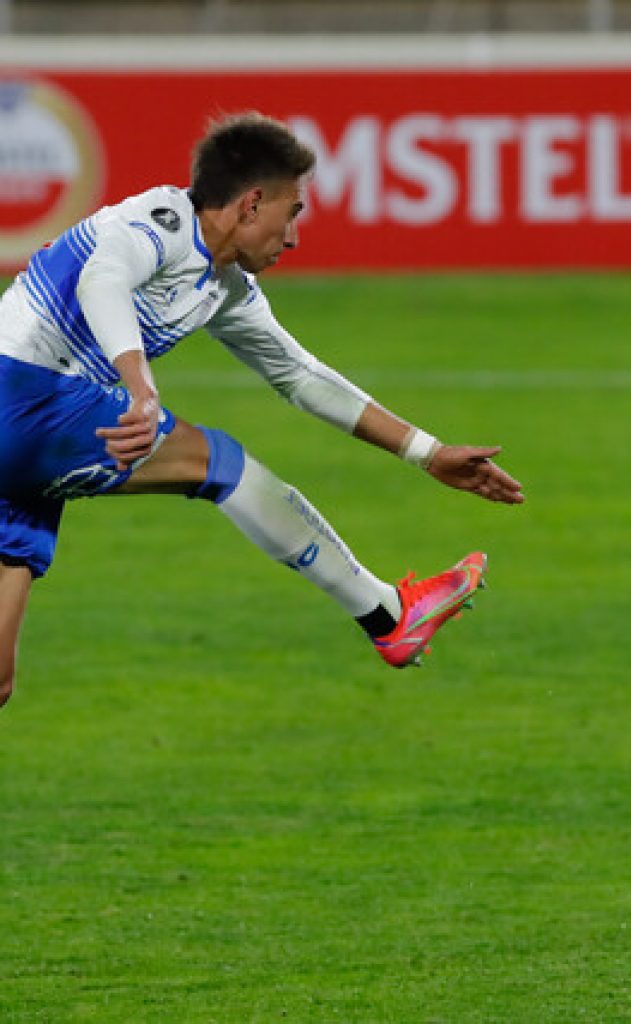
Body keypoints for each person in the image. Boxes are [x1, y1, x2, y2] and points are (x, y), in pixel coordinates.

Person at [0, 111, 524, 708]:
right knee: (222, 464)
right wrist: (141, 387)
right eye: (291, 212)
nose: (294, 236)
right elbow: (102, 280)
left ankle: (391, 618)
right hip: (20, 393)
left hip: (30, 454)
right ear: (251, 204)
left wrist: (427, 454)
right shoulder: (157, 221)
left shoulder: (225, 287)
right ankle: (386, 616)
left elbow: (301, 376)